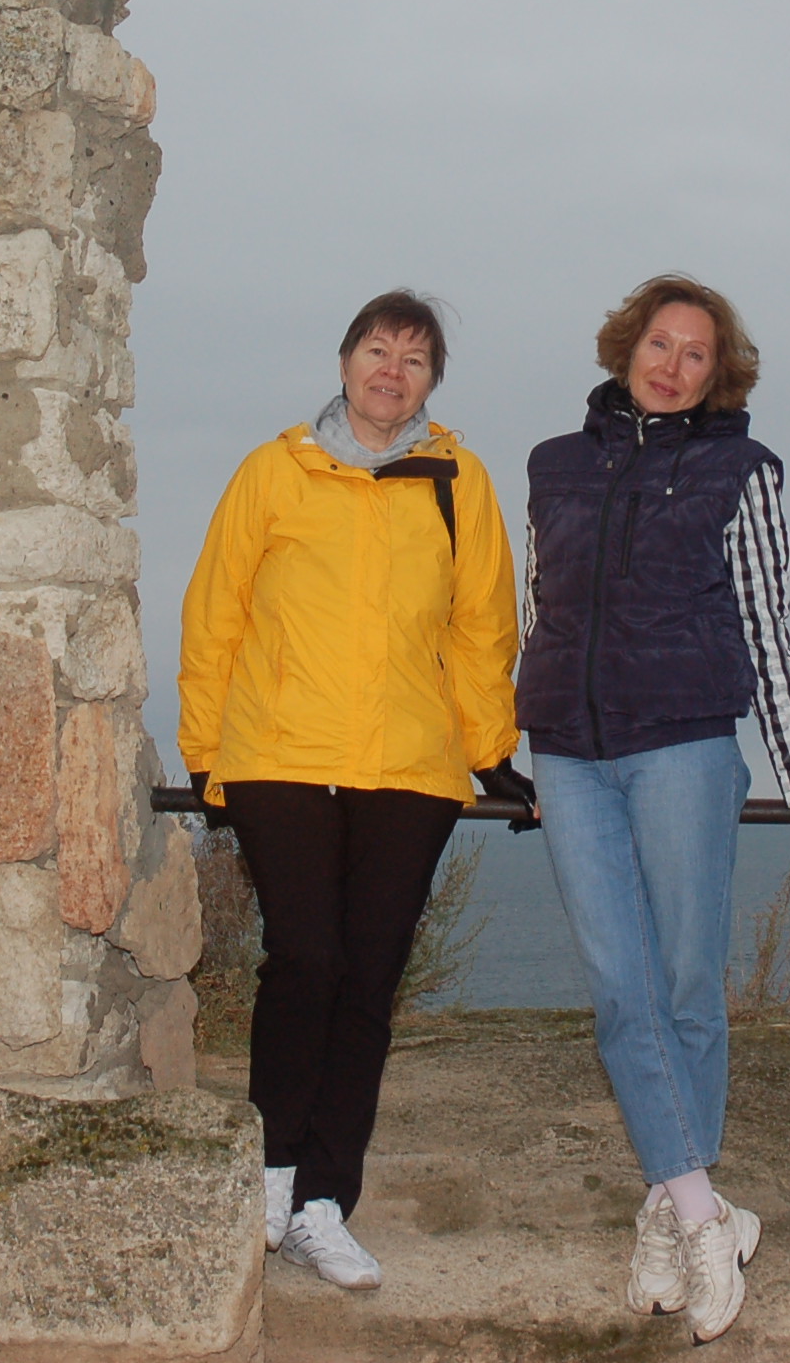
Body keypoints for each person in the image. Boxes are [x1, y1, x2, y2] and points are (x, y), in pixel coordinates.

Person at [517, 274, 790, 1344]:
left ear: (719, 374)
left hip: (682, 745)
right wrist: (515, 745)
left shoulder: (739, 471)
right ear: (627, 347)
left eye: (695, 352)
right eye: (658, 343)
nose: (671, 364)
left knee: (684, 983)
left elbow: (764, 619)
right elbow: (537, 605)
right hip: (569, 755)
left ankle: (673, 1203)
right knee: (621, 989)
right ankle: (704, 1211)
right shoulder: (553, 464)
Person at [178, 290, 528, 1293]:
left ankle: (323, 1202)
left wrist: (490, 751)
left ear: (430, 383)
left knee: (368, 977)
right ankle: (269, 1173)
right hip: (278, 752)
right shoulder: (273, 470)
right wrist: (203, 750)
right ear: (343, 363)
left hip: (408, 766)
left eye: (414, 360)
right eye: (377, 350)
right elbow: (215, 610)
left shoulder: (458, 479)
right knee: (305, 957)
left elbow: (481, 626)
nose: (391, 372)